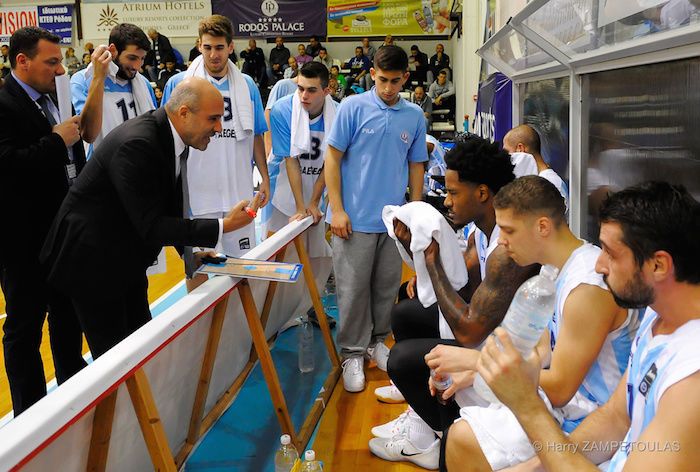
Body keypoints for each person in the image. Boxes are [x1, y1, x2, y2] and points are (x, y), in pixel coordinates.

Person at [473, 181, 700, 472]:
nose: (599, 265)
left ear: (658, 266)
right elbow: (615, 418)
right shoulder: (657, 317)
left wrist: (527, 406)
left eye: (611, 254)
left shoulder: (691, 378)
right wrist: (532, 468)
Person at [41, 77, 258, 360]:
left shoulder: (171, 135)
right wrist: (224, 226)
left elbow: (170, 204)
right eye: (213, 118)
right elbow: (151, 225)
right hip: (91, 264)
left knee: (140, 347)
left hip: (122, 259)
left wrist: (189, 253)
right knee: (115, 362)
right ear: (184, 113)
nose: (219, 128)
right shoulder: (139, 143)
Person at [438, 175, 640, 471]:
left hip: (592, 421)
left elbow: (560, 388)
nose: (501, 241)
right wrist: (475, 371)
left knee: (461, 437)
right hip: (570, 409)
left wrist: (476, 361)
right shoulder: (553, 271)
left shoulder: (586, 287)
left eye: (508, 230)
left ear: (542, 227)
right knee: (459, 401)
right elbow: (542, 350)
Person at [369, 137, 536, 467]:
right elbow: (464, 290)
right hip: (490, 333)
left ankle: (451, 437)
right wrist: (420, 258)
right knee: (406, 312)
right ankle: (425, 428)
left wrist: (432, 262)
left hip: (513, 354)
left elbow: (469, 330)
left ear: (482, 193)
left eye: (454, 193)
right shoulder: (479, 233)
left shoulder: (508, 248)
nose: (447, 201)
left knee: (402, 360)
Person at [325, 45, 428, 392]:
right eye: (382, 80)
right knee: (353, 292)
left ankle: (377, 342)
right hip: (353, 220)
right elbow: (332, 159)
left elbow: (416, 165)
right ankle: (352, 353)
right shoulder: (352, 107)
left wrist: (414, 212)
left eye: (395, 81)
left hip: (393, 222)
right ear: (372, 75)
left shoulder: (414, 115)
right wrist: (337, 209)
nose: (388, 88)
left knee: (385, 288)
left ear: (406, 78)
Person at [0, 26, 88, 415]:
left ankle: (71, 391)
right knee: (25, 328)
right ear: (22, 61)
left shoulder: (52, 98)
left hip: (59, 233)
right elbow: (7, 165)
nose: (60, 69)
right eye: (51, 62)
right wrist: (56, 141)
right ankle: (31, 415)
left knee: (67, 315)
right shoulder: (4, 104)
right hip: (21, 241)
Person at [161, 15, 269, 289]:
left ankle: (241, 319)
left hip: (238, 191)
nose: (213, 54)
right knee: (198, 268)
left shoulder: (247, 84)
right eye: (207, 47)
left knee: (242, 270)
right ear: (199, 45)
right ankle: (203, 319)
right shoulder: (180, 84)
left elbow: (256, 135)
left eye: (219, 47)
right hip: (196, 194)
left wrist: (265, 178)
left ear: (231, 47)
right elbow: (166, 137)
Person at [267, 62, 336, 260]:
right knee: (278, 253)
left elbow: (331, 163)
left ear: (326, 91)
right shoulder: (282, 110)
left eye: (311, 90)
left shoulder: (338, 114)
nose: (304, 96)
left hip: (319, 183)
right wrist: (300, 207)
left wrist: (314, 202)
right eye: (300, 88)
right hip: (284, 187)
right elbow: (291, 161)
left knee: (315, 255)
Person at [71, 23, 157, 159]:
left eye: (142, 58)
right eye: (132, 58)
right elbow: (88, 134)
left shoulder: (144, 84)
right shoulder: (83, 79)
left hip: (137, 163)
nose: (137, 66)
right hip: (100, 164)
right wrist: (98, 78)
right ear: (113, 50)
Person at [503, 124, 569, 210]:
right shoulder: (540, 179)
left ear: (520, 148)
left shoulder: (550, 183)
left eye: (507, 152)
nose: (506, 157)